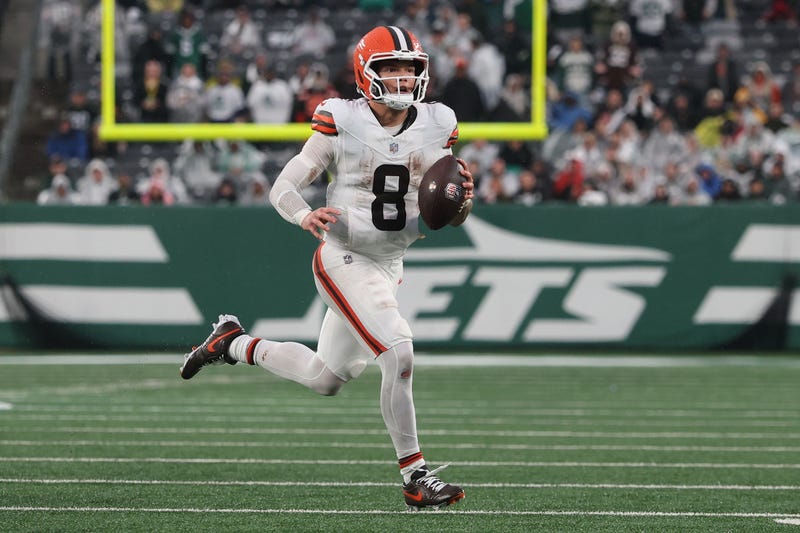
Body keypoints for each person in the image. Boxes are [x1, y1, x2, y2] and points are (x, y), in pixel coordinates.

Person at [180, 25, 473, 511]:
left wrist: (460, 202)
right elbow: (284, 185)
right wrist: (303, 213)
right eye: (390, 68)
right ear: (366, 72)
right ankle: (415, 475)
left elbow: (446, 211)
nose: (402, 78)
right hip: (343, 256)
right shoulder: (343, 119)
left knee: (326, 378)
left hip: (389, 263)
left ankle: (231, 342)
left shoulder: (439, 122)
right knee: (398, 352)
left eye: (409, 68)